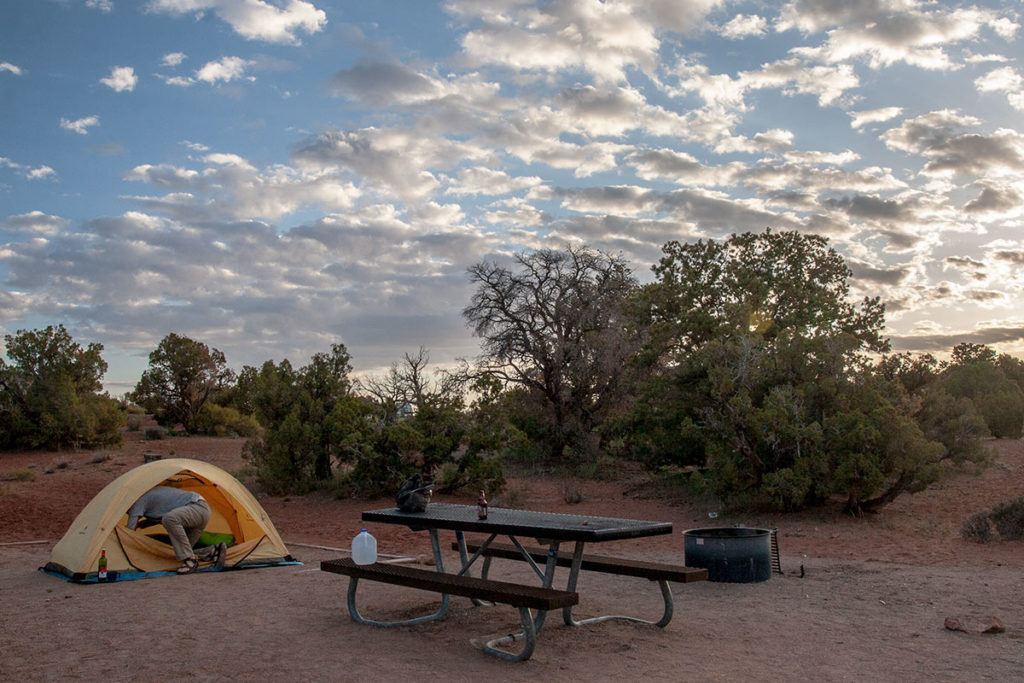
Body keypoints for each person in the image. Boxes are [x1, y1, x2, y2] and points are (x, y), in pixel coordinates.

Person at [126, 485, 226, 574]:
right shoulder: (150, 494)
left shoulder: (138, 500)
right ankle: (212, 551)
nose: (127, 513)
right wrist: (149, 522)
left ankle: (190, 560)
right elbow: (167, 507)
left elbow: (129, 531)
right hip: (202, 510)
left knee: (169, 519)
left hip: (195, 507)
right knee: (179, 551)